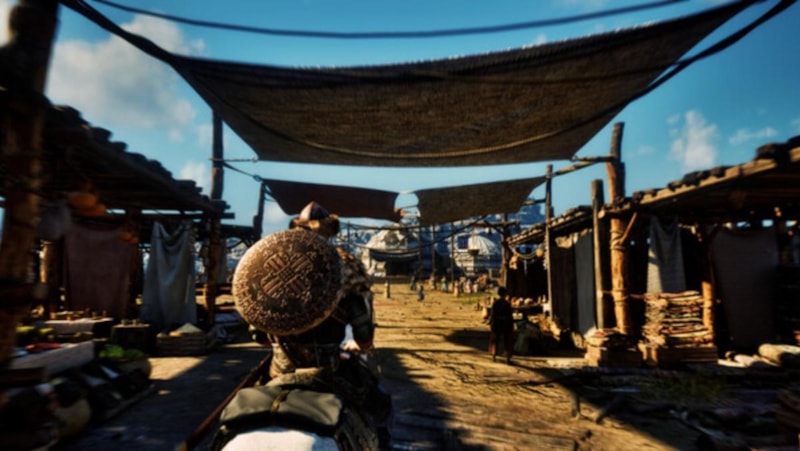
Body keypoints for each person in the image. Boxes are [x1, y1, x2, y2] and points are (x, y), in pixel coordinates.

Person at [226, 201, 391, 450]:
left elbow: (258, 335)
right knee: (376, 409)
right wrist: (359, 343)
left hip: (279, 371)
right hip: (329, 373)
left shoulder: (274, 267)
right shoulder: (346, 270)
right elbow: (364, 336)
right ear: (330, 232)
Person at [488, 286, 515, 364]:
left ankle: (493, 355)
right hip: (506, 323)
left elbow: (492, 315)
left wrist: (491, 323)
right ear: (505, 294)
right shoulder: (507, 304)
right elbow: (510, 316)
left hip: (497, 323)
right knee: (508, 340)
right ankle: (508, 358)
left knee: (494, 339)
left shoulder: (495, 303)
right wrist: (511, 325)